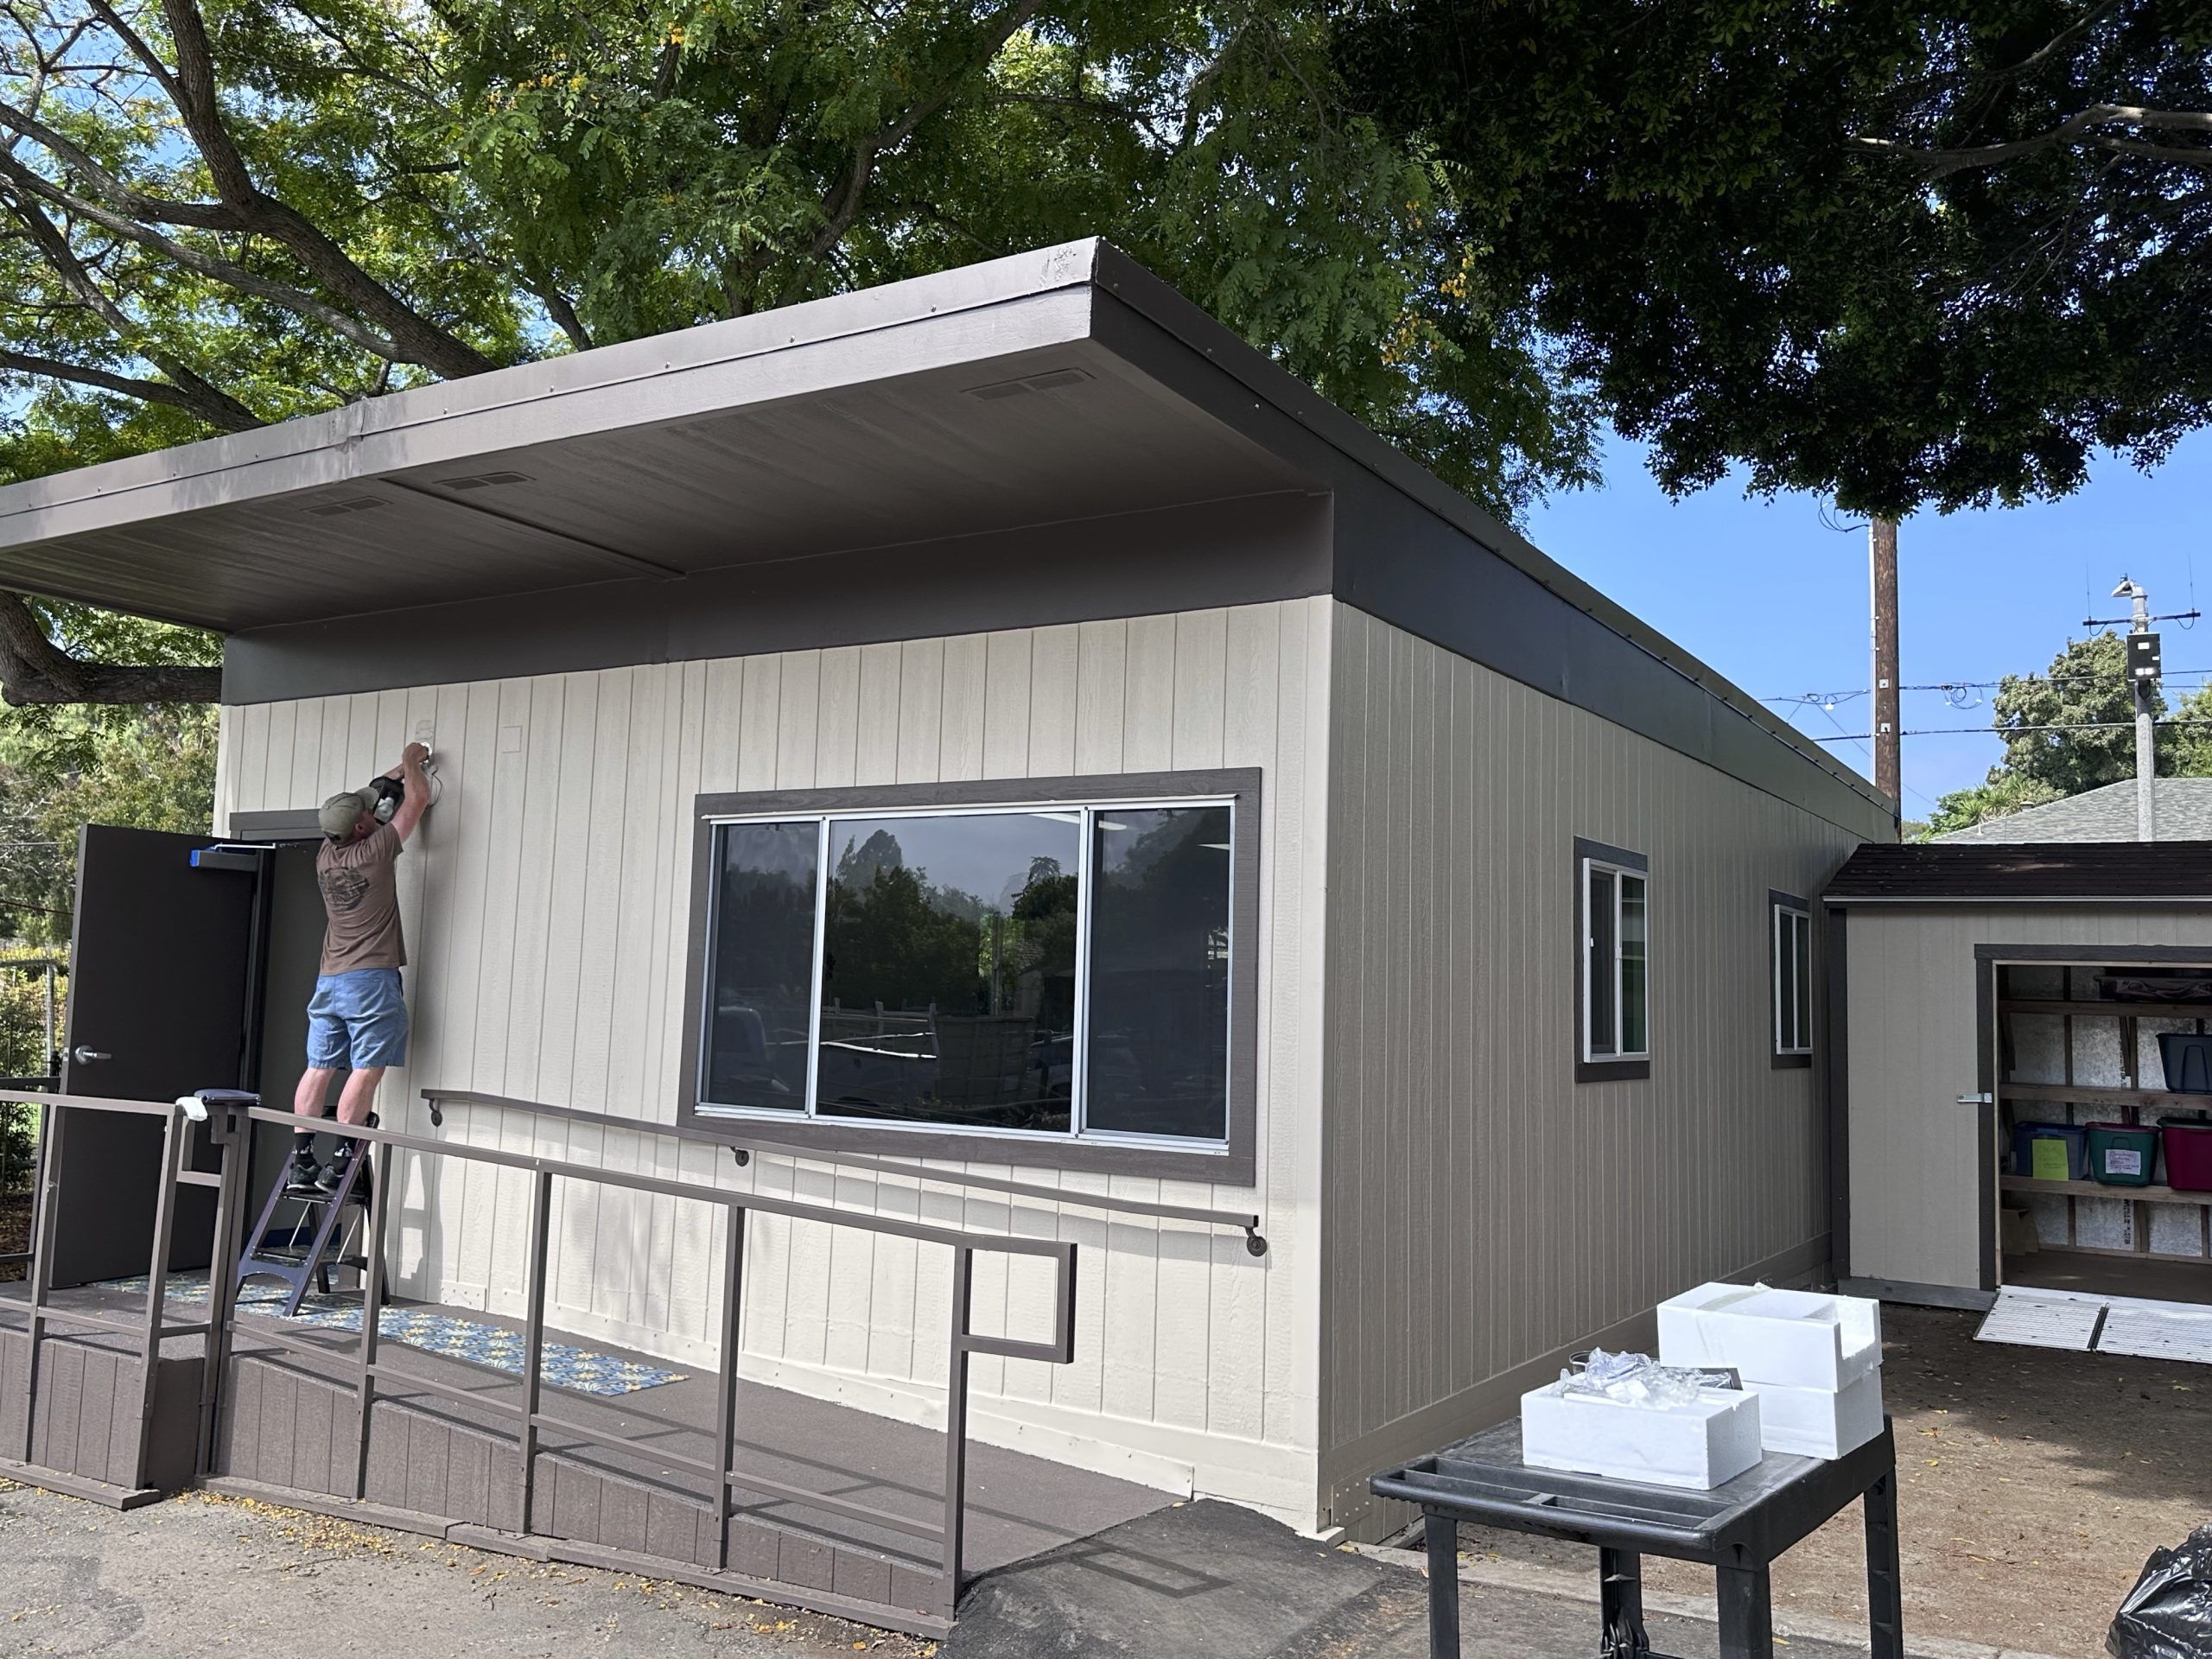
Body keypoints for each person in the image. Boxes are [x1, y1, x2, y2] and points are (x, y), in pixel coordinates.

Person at [288, 742, 433, 1197]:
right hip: (370, 979)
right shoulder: (378, 849)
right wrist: (414, 759)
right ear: (361, 827)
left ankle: (302, 1160)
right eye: (368, 815)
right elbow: (418, 800)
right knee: (366, 1068)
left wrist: (392, 774)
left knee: (318, 1067)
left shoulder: (325, 856)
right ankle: (342, 1161)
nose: (376, 812)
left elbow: (364, 797)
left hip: (329, 980)